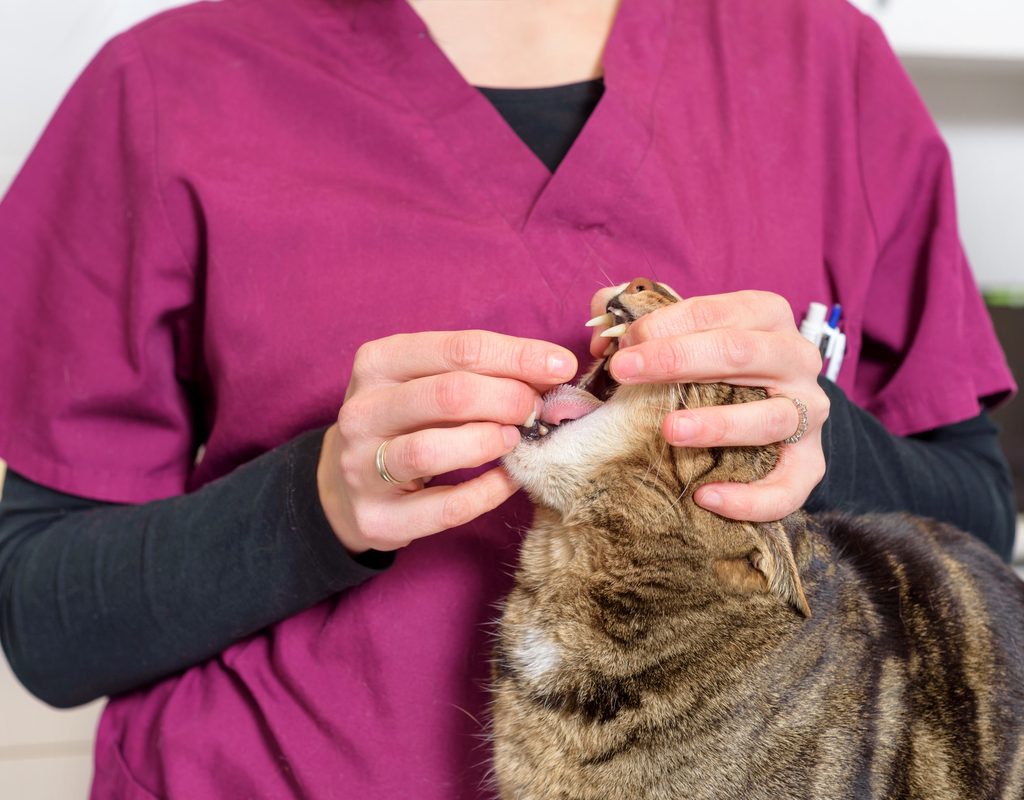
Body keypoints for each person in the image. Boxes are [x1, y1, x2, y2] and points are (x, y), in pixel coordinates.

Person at [0, 0, 1015, 797]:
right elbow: (45, 622)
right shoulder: (161, 89)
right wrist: (315, 503)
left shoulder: (827, 66)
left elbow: (975, 518)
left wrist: (808, 430)